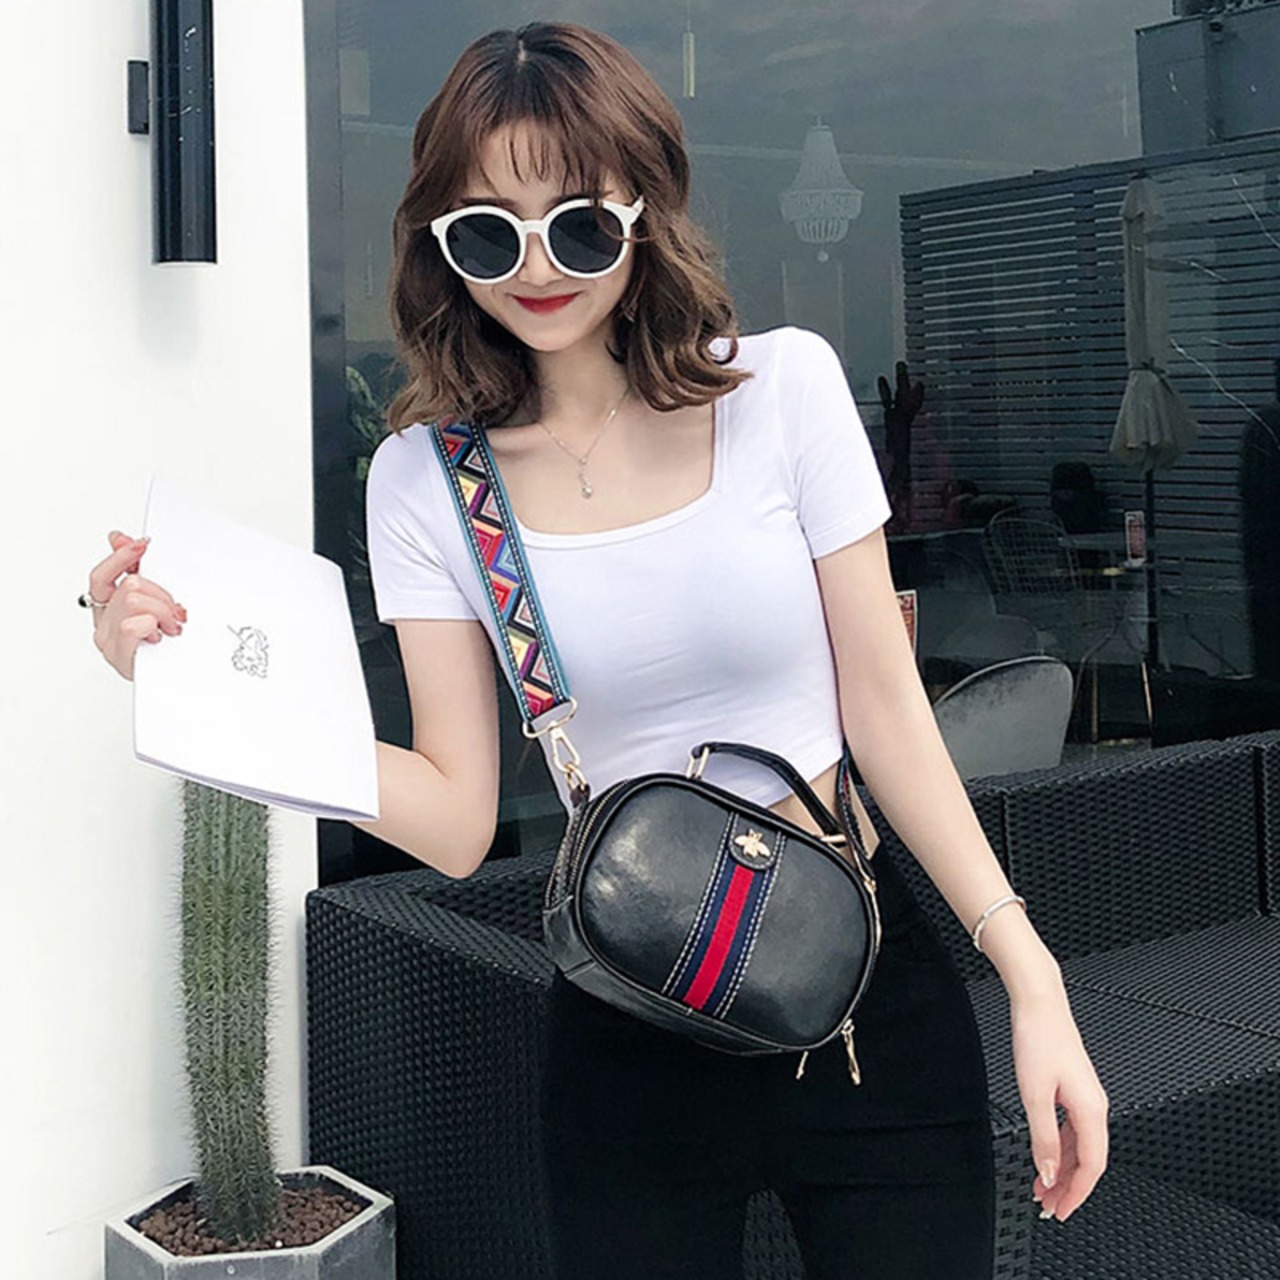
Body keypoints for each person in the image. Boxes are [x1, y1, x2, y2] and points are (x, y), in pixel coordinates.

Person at [84, 22, 1108, 1279]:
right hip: (629, 1017)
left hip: (859, 990)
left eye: (575, 225)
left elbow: (886, 713)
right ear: (439, 244)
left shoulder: (780, 393)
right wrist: (193, 688)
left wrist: (1031, 978)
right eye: (486, 233)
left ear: (641, 213)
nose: (535, 268)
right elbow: (454, 818)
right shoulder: (428, 482)